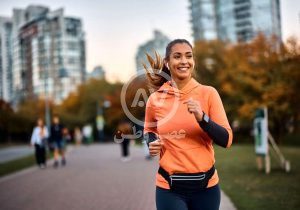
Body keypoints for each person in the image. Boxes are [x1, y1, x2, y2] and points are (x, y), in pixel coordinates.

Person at [143, 39, 233, 210]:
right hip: (169, 187)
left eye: (188, 56)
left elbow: (226, 140)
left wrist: (202, 118)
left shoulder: (209, 93)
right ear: (167, 63)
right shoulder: (156, 99)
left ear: (193, 61)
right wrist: (151, 142)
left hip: (206, 188)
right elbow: (149, 129)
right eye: (177, 56)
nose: (184, 61)